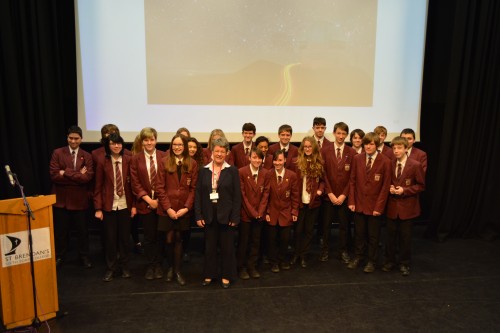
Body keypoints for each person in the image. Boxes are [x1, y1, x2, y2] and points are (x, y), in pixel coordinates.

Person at [195, 137, 241, 288]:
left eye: (222, 151)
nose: (219, 154)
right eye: (217, 151)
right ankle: (209, 274)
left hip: (226, 216)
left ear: (227, 153)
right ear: (211, 152)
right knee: (209, 247)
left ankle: (226, 276)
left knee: (227, 248)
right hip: (208, 214)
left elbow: (237, 196)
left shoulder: (232, 171)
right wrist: (198, 215)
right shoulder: (204, 170)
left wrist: (235, 216)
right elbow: (198, 194)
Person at [49, 125, 94, 268]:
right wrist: (77, 175)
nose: (73, 141)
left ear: (81, 139)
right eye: (71, 138)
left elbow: (87, 178)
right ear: (67, 138)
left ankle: (84, 256)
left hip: (80, 200)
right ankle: (60, 256)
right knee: (61, 232)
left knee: (82, 232)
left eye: (76, 138)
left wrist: (66, 172)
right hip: (62, 200)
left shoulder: (87, 155)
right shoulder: (57, 153)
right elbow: (54, 176)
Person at [156, 134, 198, 286]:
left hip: (183, 210)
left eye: (180, 144)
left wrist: (186, 208)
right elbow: (159, 188)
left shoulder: (192, 163)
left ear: (185, 146)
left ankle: (178, 270)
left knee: (179, 239)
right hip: (167, 210)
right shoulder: (163, 162)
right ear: (171, 145)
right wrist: (168, 209)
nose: (177, 147)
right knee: (168, 239)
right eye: (175, 144)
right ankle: (171, 268)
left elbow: (194, 189)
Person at [94, 133, 136, 281]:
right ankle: (111, 268)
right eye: (113, 143)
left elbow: (134, 185)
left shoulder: (129, 159)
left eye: (119, 143)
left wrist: (134, 206)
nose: (116, 146)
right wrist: (98, 208)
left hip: (125, 204)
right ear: (108, 145)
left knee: (125, 239)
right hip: (109, 206)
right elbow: (98, 186)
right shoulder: (102, 161)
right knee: (110, 240)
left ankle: (125, 267)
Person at [347, 132, 391, 273]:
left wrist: (379, 207)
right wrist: (352, 200)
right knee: (359, 234)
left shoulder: (385, 161)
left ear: (377, 145)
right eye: (366, 143)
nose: (368, 146)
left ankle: (371, 261)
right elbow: (352, 181)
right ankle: (358, 257)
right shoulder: (357, 158)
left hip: (374, 206)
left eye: (371, 144)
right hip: (358, 203)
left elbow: (385, 187)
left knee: (373, 236)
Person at [382, 136, 425, 276]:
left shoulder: (415, 165)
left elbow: (420, 185)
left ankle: (404, 263)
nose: (396, 150)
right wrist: (389, 187)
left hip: (408, 208)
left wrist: (404, 190)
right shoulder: (389, 163)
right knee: (390, 237)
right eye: (394, 148)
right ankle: (389, 261)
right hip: (392, 207)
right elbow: (385, 180)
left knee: (405, 238)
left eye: (399, 148)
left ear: (406, 149)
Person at [130, 127, 167, 280]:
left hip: (162, 203)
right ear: (142, 142)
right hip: (145, 203)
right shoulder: (135, 159)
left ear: (156, 140)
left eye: (152, 139)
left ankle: (159, 265)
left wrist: (158, 200)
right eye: (146, 140)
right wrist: (149, 200)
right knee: (149, 237)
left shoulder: (164, 156)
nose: (149, 142)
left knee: (160, 235)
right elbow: (135, 183)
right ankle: (151, 265)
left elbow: (167, 180)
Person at [320, 122, 357, 263]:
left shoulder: (351, 152)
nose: (341, 136)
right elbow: (323, 175)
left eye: (344, 134)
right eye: (339, 133)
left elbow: (352, 177)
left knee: (344, 226)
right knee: (326, 226)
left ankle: (343, 251)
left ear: (346, 135)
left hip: (344, 197)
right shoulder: (325, 150)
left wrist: (343, 195)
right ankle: (324, 251)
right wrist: (329, 193)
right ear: (334, 133)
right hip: (329, 196)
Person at [290, 137, 324, 268]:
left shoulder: (319, 162)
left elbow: (323, 181)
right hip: (299, 201)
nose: (308, 149)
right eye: (305, 147)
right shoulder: (296, 162)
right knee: (298, 230)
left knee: (309, 230)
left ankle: (304, 255)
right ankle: (296, 253)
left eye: (310, 147)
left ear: (314, 148)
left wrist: (320, 191)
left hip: (313, 202)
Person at [237, 147, 269, 279]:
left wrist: (260, 212)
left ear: (262, 160)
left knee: (256, 242)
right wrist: (252, 212)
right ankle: (241, 267)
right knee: (244, 242)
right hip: (246, 214)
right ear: (249, 158)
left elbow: (266, 194)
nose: (257, 160)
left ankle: (252, 266)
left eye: (259, 158)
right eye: (254, 157)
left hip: (259, 215)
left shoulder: (266, 173)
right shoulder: (241, 172)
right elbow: (242, 195)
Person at [265, 149, 299, 273]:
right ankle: (273, 262)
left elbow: (295, 196)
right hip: (272, 212)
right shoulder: (268, 174)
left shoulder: (292, 175)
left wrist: (294, 212)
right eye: (275, 160)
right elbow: (265, 196)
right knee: (272, 240)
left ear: (285, 160)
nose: (277, 163)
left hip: (286, 212)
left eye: (280, 160)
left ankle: (282, 260)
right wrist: (267, 212)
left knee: (285, 239)